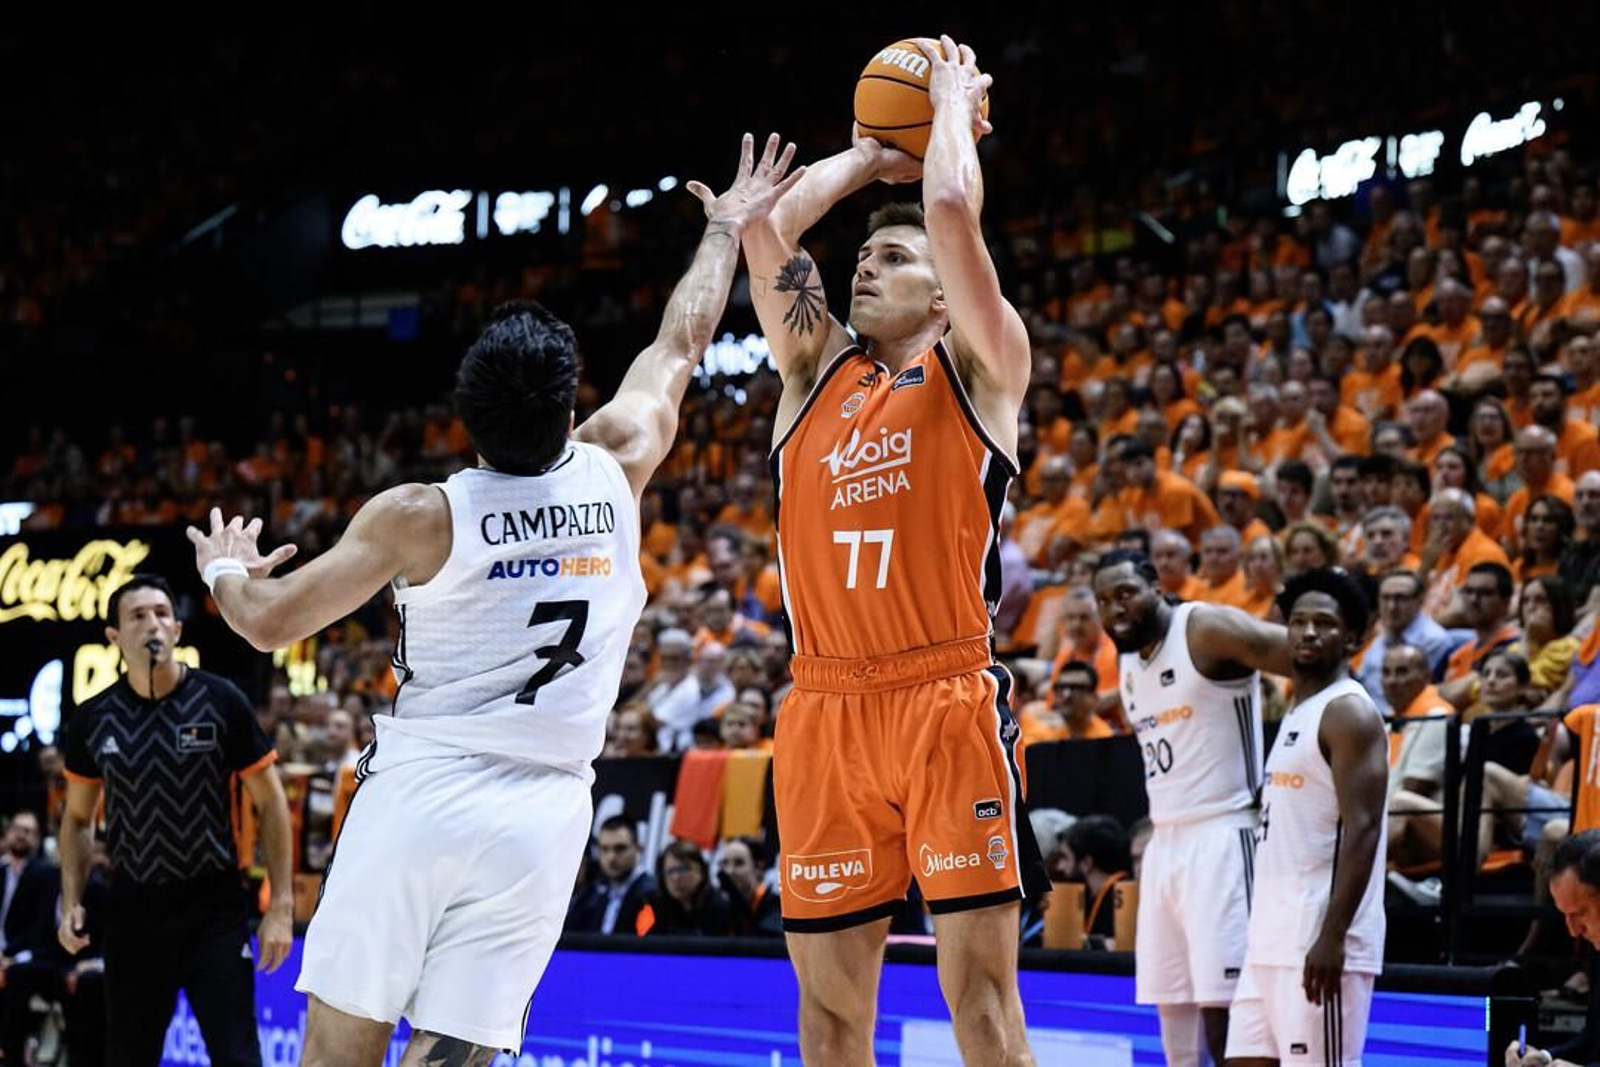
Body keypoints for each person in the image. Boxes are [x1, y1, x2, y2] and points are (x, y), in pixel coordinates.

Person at [185, 134, 804, 1066]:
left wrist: (225, 570)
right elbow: (681, 339)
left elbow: (267, 623)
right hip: (545, 809)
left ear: (466, 425)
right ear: (568, 411)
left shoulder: (421, 516)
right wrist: (723, 227)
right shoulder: (619, 459)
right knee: (458, 1055)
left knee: (336, 1050)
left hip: (424, 794)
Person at [741, 37, 1048, 1064]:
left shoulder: (982, 362)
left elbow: (953, 212)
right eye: (864, 256)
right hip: (822, 708)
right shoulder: (810, 375)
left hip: (943, 697)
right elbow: (769, 226)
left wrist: (948, 108)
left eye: (893, 258)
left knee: (982, 1007)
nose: (866, 266)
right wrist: (872, 156)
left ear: (947, 293)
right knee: (829, 1019)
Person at [56, 574, 295, 1067]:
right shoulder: (93, 719)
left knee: (237, 1056)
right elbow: (78, 819)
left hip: (214, 908)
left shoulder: (221, 700)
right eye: (138, 616)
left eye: (162, 614)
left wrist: (281, 905)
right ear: (114, 637)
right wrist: (72, 900)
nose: (153, 625)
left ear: (178, 629)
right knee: (127, 1056)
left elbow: (271, 803)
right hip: (133, 910)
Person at [1091, 549, 1289, 1066]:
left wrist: (1306, 743)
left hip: (1224, 833)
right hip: (1165, 844)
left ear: (1156, 585)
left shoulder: (1203, 628)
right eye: (1103, 600)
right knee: (1171, 1003)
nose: (1115, 608)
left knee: (1226, 1011)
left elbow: (1307, 658)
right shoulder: (1129, 659)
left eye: (1126, 593)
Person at [1226, 567, 1389, 1067]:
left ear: (1354, 639)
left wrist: (1333, 935)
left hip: (1320, 939)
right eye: (1298, 622)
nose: (1309, 632)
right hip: (1269, 938)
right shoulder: (1301, 709)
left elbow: (1363, 829)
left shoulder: (1349, 713)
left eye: (1324, 623)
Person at [564, 816, 655, 936]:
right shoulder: (592, 895)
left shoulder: (652, 895)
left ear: (638, 849)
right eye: (604, 849)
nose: (611, 857)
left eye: (620, 848)